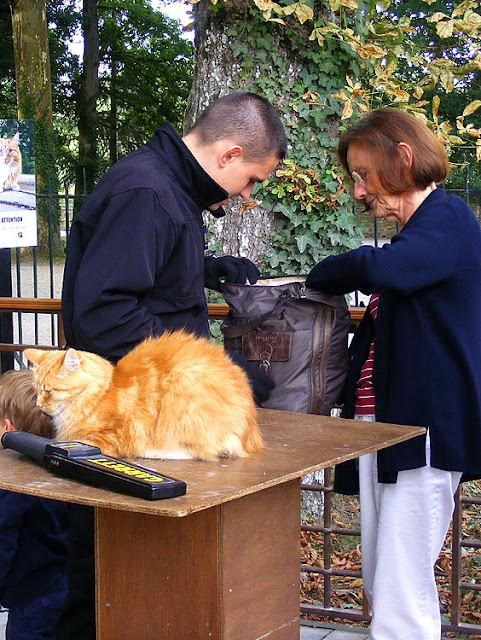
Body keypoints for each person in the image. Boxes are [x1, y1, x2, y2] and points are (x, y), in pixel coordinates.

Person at [57, 91, 288, 640]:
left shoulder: (167, 188)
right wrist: (207, 372)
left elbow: (149, 271)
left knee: (138, 576)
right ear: (229, 155)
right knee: (103, 579)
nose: (247, 195)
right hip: (116, 419)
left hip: (145, 412)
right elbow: (105, 311)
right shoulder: (148, 192)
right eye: (252, 180)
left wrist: (207, 269)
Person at [305, 107, 481, 640]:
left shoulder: (448, 219)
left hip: (422, 432)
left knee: (403, 591)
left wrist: (334, 268)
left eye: (362, 175)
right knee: (387, 582)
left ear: (403, 158)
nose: (359, 193)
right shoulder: (416, 234)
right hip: (384, 429)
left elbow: (380, 270)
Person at [0, 370, 70, 640]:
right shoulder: (60, 468)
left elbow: (3, 540)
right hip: (67, 585)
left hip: (30, 600)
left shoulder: (13, 483)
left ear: (8, 429)